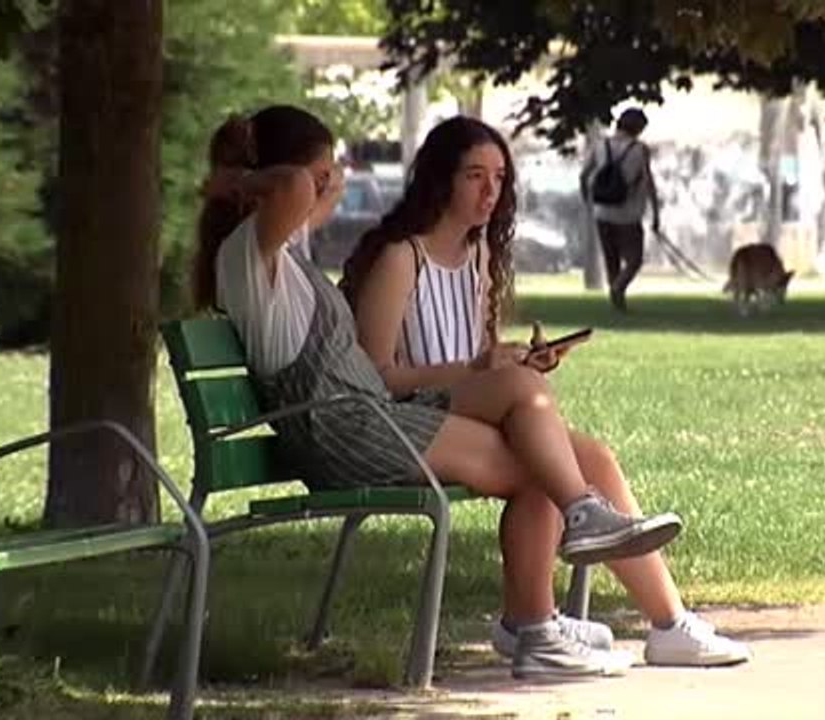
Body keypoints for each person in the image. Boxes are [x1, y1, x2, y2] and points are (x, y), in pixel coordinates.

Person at [191, 105, 689, 679]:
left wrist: (495, 363)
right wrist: (243, 180)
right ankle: (534, 624)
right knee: (540, 466)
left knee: (530, 405)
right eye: (325, 172)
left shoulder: (277, 258)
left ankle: (574, 540)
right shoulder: (249, 257)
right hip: (344, 429)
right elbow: (296, 188)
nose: (331, 183)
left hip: (362, 418)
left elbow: (298, 192)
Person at [341, 115, 752, 668]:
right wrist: (479, 368)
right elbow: (377, 376)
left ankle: (668, 623)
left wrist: (511, 360)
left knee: (591, 456)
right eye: (474, 176)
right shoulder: (400, 258)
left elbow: (481, 362)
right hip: (406, 420)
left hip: (472, 411)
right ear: (441, 180)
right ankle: (542, 604)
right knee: (548, 462)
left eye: (500, 178)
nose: (491, 191)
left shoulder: (479, 257)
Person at [579, 107, 662, 312]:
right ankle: (618, 290)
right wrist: (656, 212)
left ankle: (617, 298)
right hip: (629, 213)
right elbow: (648, 182)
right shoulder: (640, 149)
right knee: (635, 259)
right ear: (638, 128)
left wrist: (588, 202)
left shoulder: (601, 145)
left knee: (611, 258)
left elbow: (584, 176)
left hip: (602, 212)